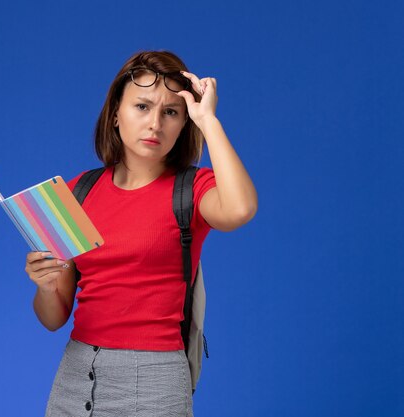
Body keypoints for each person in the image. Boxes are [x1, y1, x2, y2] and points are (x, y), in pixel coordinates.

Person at [25, 50, 258, 417]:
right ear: (116, 113)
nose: (155, 124)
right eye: (142, 107)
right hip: (75, 376)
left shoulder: (193, 189)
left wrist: (208, 120)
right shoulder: (75, 192)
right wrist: (44, 285)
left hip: (154, 380)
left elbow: (240, 209)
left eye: (171, 113)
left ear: (184, 124)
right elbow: (54, 318)